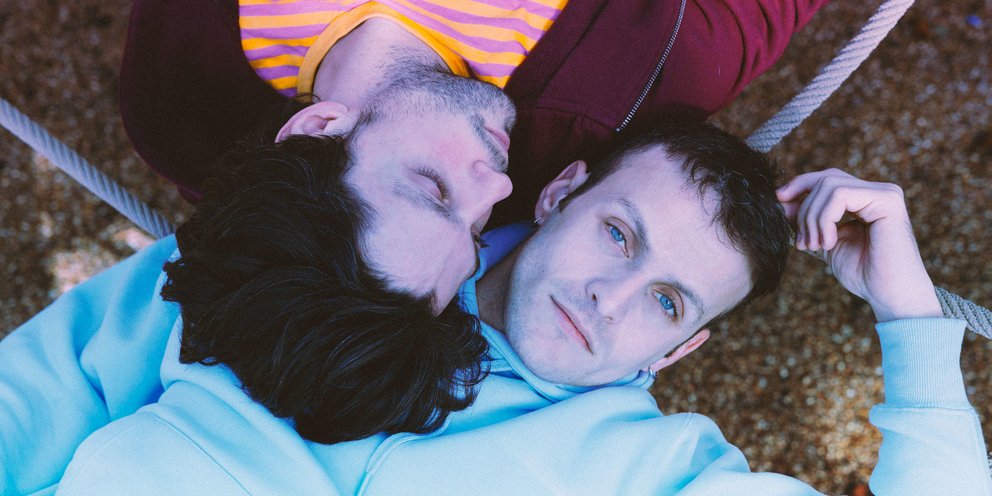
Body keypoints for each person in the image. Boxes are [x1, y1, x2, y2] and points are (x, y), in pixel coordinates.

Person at [51, 124, 990, 494]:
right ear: (560, 192)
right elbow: (49, 382)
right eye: (618, 233)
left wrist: (909, 317)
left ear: (679, 350)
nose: (611, 297)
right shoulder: (360, 233)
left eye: (666, 300)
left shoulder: (658, 473)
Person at [120, 0, 830, 224]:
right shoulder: (620, 93)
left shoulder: (181, 104)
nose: (498, 188)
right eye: (475, 229)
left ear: (318, 127)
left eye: (435, 191)